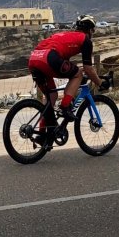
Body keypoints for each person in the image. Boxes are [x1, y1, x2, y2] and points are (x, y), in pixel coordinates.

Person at [27, 14, 105, 142]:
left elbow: (64, 64)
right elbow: (88, 68)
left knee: (51, 97)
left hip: (34, 58)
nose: (93, 33)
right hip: (49, 58)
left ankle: (42, 134)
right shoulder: (85, 40)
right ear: (89, 30)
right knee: (78, 74)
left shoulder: (66, 36)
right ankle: (65, 107)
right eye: (93, 30)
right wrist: (99, 82)